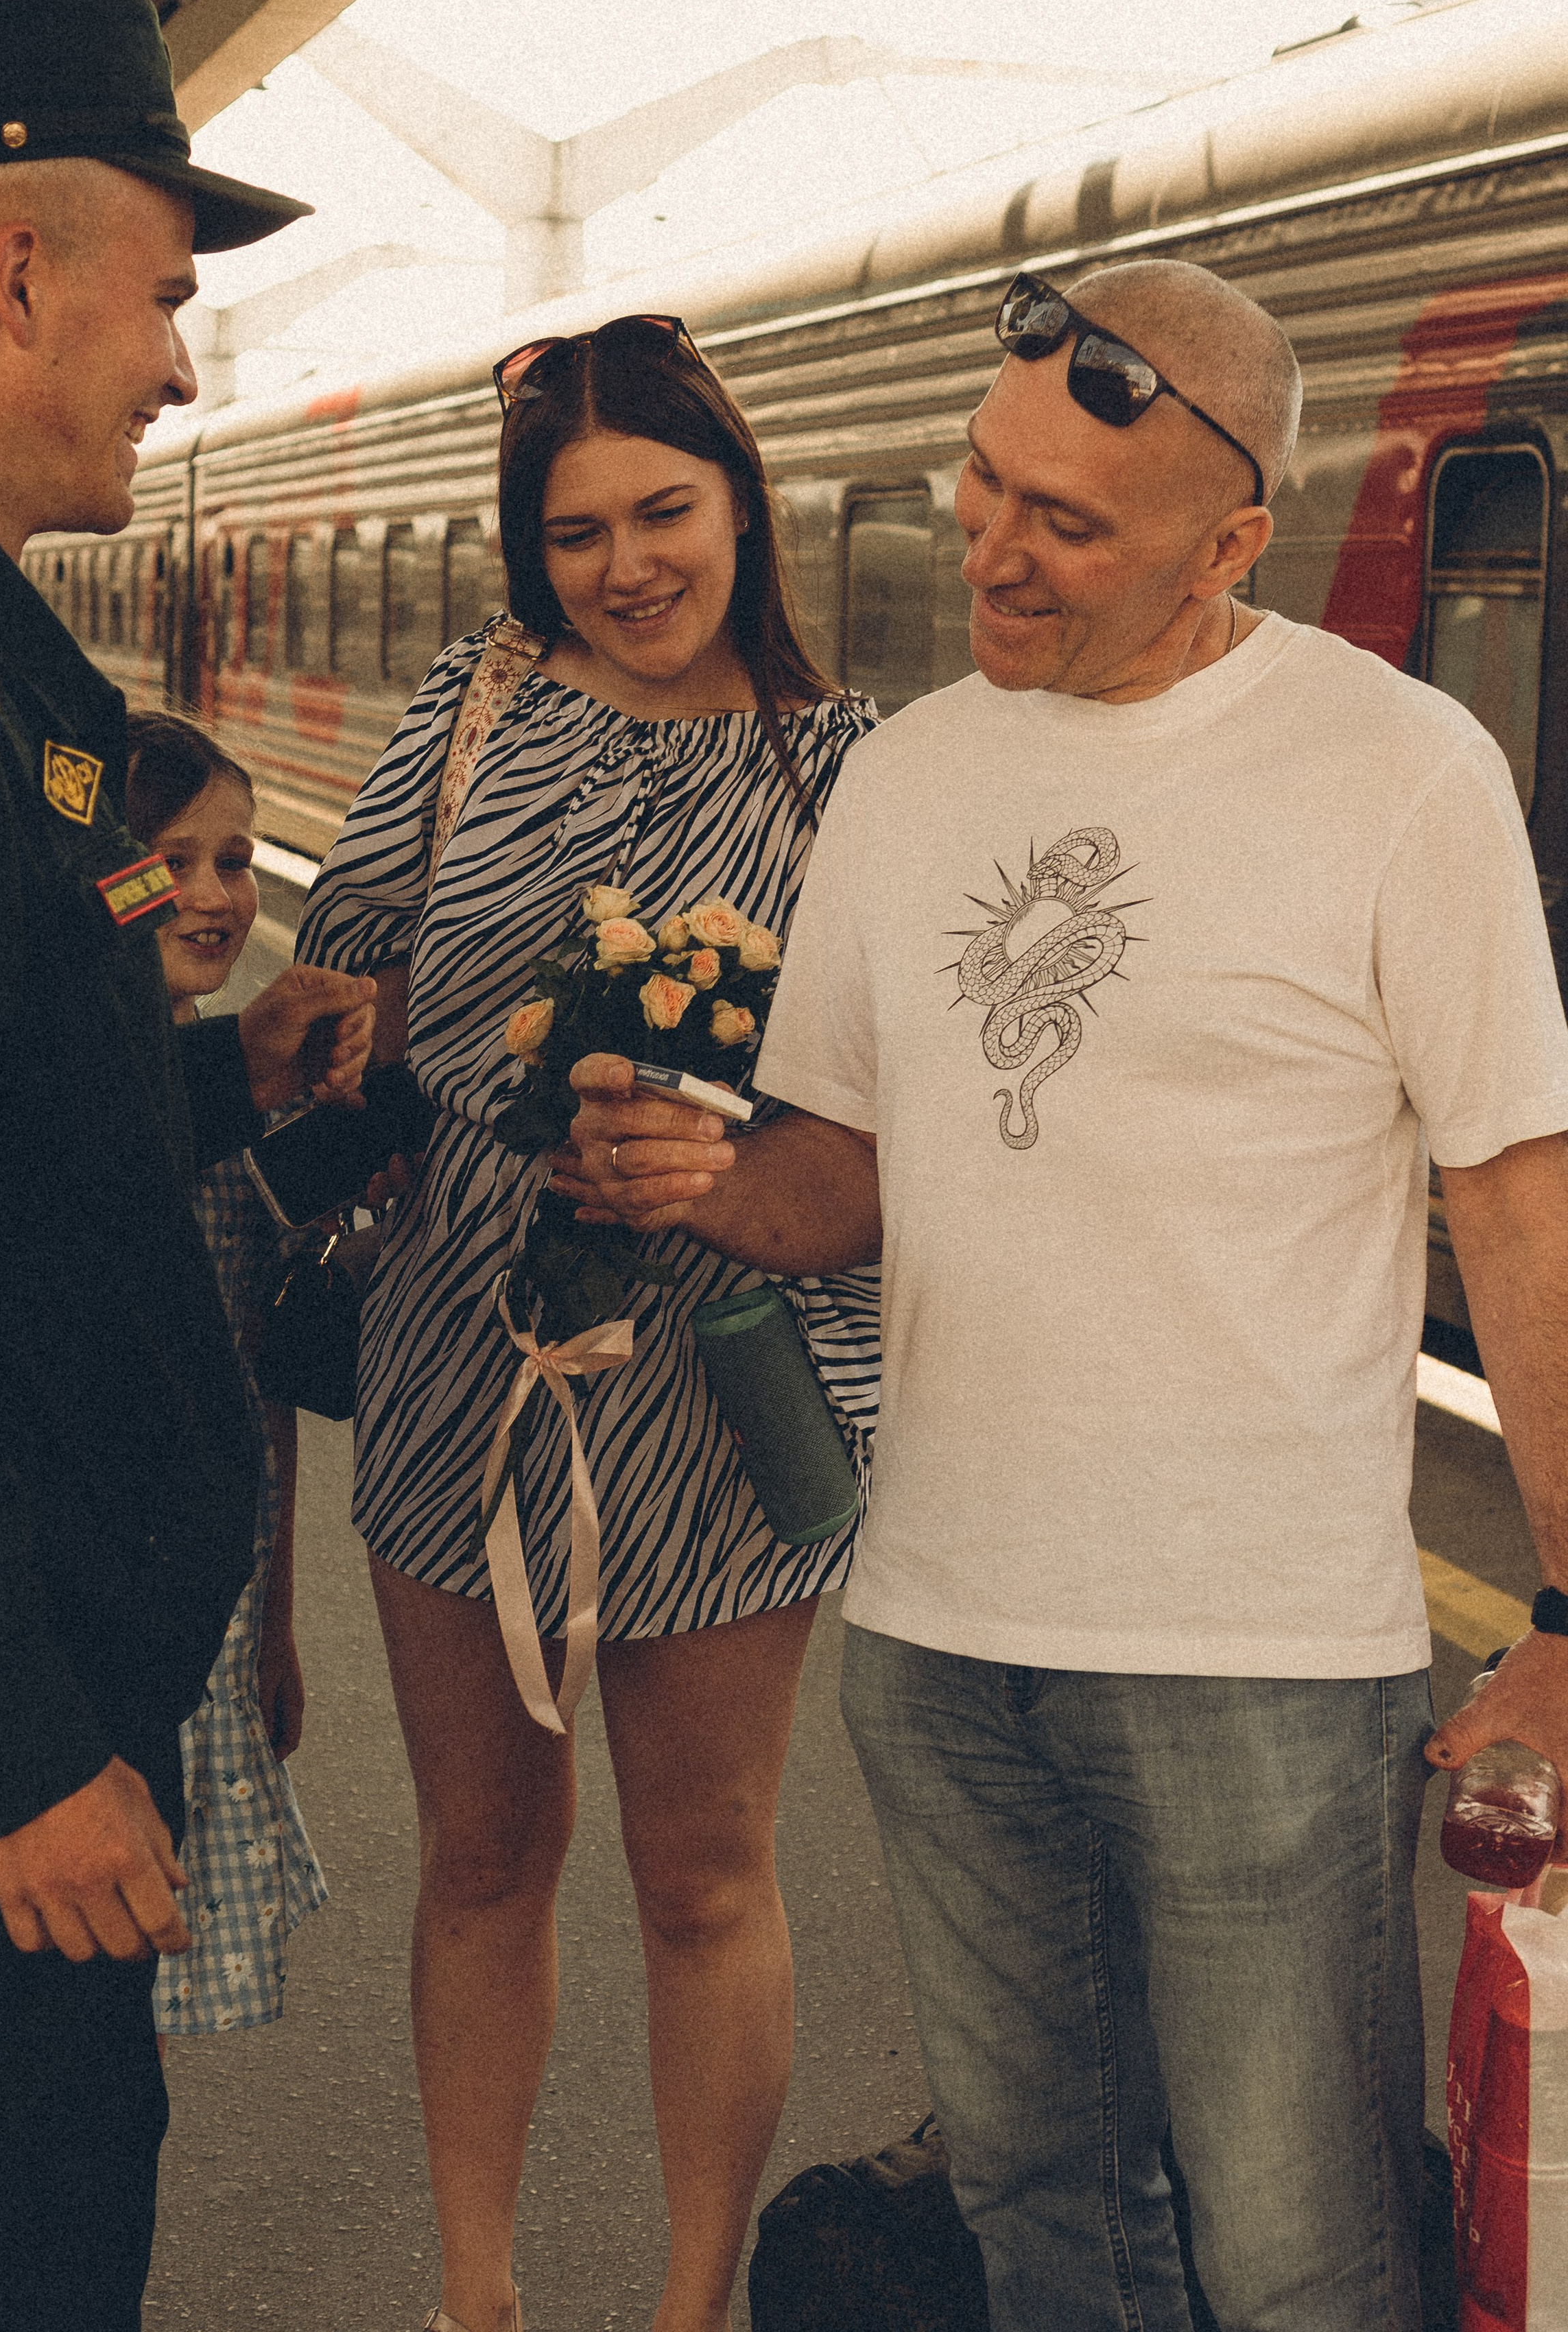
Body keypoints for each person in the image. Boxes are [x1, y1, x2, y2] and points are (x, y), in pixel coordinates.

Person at [564, 259, 1568, 2331]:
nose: (993, 547)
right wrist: (703, 1180)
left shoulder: (1400, 769)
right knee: (1044, 2220)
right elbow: (840, 1171)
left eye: (1068, 522)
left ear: (1230, 544)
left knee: (1302, 2254)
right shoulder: (913, 770)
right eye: (983, 482)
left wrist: (1567, 1618)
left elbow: (1522, 1208)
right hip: (940, 1640)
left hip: (1262, 1662)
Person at [0, 0, 378, 2332]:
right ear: (7, 274)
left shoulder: (5, 672)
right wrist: (21, 1746)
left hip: (7, 1728)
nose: (179, 364)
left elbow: (22, 1117)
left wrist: (244, 1088)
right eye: (161, 297)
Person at [294, 312, 880, 2332]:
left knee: (706, 1867)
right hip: (462, 1346)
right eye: (575, 532)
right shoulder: (466, 709)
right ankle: (481, 2301)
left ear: (744, 508)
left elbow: (895, 1106)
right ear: (526, 555)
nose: (626, 564)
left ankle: (692, 2306)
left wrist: (731, 1154)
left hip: (730, 1374)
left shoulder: (850, 768)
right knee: (481, 1855)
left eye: (663, 510)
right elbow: (339, 976)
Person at [124, 712, 329, 2039]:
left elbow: (264, 1382)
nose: (210, 893)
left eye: (236, 858)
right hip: (126, 1595)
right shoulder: (96, 1095)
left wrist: (282, 1613)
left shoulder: (245, 1091)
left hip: (223, 1593)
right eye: (170, 860)